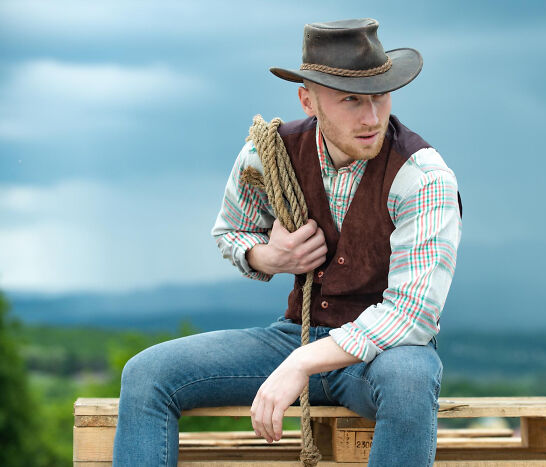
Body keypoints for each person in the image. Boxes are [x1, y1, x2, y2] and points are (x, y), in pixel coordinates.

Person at [112, 18, 462, 467]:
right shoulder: (270, 152)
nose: (372, 117)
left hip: (381, 356)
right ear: (308, 99)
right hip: (296, 333)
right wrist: (269, 256)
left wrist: (300, 364)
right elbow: (230, 231)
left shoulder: (423, 176)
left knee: (411, 379)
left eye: (380, 96)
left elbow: (413, 314)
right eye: (351, 100)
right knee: (146, 375)